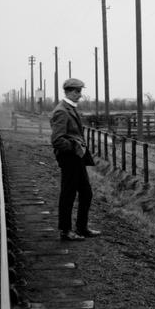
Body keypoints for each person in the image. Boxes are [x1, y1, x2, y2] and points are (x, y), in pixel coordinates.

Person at [50, 78, 101, 241]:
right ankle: (66, 231)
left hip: (76, 158)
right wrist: (74, 147)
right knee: (68, 194)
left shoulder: (69, 108)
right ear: (70, 92)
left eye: (80, 91)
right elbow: (57, 140)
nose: (80, 95)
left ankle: (82, 227)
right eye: (78, 92)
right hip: (69, 158)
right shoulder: (62, 111)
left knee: (86, 193)